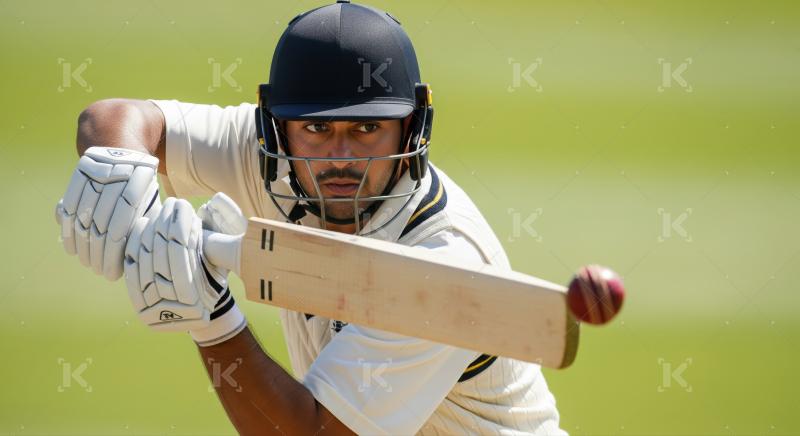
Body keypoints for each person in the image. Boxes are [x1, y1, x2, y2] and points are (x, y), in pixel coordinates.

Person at [55, 1, 565, 434]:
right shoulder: (267, 160)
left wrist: (213, 321)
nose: (339, 157)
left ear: (411, 128)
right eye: (316, 130)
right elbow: (113, 118)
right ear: (277, 128)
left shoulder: (442, 260)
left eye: (367, 127)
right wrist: (123, 172)